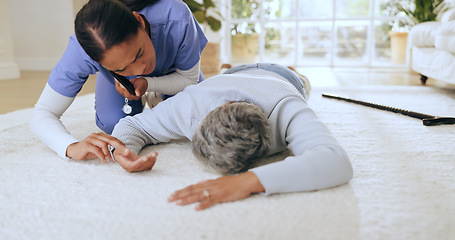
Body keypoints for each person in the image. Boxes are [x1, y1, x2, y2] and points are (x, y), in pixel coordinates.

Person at [106, 63, 354, 210]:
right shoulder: (191, 104)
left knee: (304, 83)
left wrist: (246, 182)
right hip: (233, 75)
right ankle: (227, 67)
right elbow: (133, 126)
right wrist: (123, 152)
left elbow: (335, 161)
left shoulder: (285, 105)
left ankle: (293, 70)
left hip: (284, 78)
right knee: (226, 71)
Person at [30, 0, 207, 162]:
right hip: (122, 87)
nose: (139, 69)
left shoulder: (176, 17)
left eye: (139, 53)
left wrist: (148, 83)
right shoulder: (82, 50)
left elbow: (188, 79)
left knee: (197, 115)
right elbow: (43, 112)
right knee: (113, 123)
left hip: (179, 74)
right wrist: (70, 146)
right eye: (121, 69)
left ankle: (225, 71)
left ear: (140, 21)